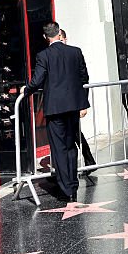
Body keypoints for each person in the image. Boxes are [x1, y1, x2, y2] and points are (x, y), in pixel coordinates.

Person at [23, 21, 90, 202]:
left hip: (55, 108)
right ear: (59, 33)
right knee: (70, 146)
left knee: (59, 148)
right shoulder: (75, 51)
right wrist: (83, 102)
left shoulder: (43, 55)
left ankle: (66, 186)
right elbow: (84, 77)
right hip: (73, 106)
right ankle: (73, 184)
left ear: (46, 37)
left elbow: (37, 81)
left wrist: (26, 90)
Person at [59, 28, 96, 171]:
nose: (61, 41)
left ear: (66, 39)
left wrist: (83, 104)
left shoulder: (74, 54)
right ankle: (88, 161)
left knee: (74, 132)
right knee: (72, 133)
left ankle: (88, 161)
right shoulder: (53, 56)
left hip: (73, 101)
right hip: (62, 102)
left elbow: (84, 79)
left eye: (62, 39)